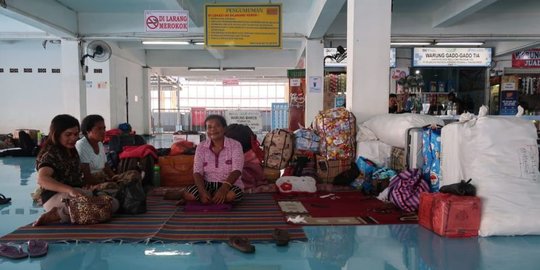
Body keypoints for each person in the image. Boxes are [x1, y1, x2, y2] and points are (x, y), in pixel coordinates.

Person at [33, 114, 118, 226]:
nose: (73, 138)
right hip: (55, 197)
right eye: (68, 134)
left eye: (76, 134)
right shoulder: (50, 154)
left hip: (74, 194)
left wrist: (87, 187)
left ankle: (66, 212)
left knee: (113, 203)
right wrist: (70, 190)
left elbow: (76, 177)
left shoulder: (71, 151)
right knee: (94, 209)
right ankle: (56, 214)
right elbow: (42, 179)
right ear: (57, 134)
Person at [184, 115, 245, 204]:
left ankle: (211, 197)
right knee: (190, 195)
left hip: (230, 184)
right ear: (206, 131)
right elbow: (197, 172)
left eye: (217, 126)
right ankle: (207, 196)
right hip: (207, 184)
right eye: (209, 127)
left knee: (229, 196)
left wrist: (224, 189)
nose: (213, 129)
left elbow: (237, 170)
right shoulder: (201, 147)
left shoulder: (235, 145)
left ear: (224, 128)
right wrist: (202, 191)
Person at [76, 115, 115, 184]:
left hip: (103, 178)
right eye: (99, 129)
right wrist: (108, 183)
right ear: (88, 130)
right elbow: (87, 177)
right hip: (91, 182)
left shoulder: (99, 143)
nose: (103, 132)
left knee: (133, 175)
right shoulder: (81, 145)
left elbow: (106, 166)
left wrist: (115, 178)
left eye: (104, 128)